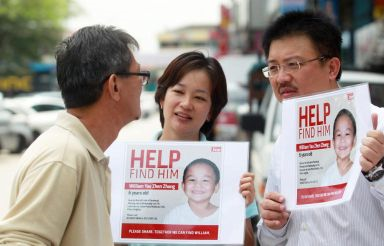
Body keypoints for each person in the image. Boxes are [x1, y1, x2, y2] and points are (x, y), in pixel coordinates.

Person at [257, 10, 384, 245]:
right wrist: (275, 225)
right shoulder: (285, 141)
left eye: (293, 64)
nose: (281, 78)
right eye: (273, 68)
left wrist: (379, 171)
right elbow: (271, 240)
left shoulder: (381, 125)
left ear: (332, 67)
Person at [0, 25, 147, 245]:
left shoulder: (83, 153)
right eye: (139, 75)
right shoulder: (64, 157)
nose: (142, 85)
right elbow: (20, 240)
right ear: (114, 85)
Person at [154, 51, 258, 245]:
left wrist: (241, 208)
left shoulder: (229, 166)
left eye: (199, 98)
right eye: (178, 91)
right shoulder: (130, 162)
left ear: (211, 112)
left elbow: (248, 243)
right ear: (161, 98)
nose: (186, 104)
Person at [164, 158, 220, 225]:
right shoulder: (174, 216)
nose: (198, 185)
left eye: (205, 180)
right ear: (183, 186)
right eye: (192, 180)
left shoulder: (222, 215)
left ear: (216, 187)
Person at [321, 108, 357, 186]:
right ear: (333, 142)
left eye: (347, 134)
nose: (342, 140)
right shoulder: (327, 175)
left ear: (354, 140)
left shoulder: (358, 172)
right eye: (338, 134)